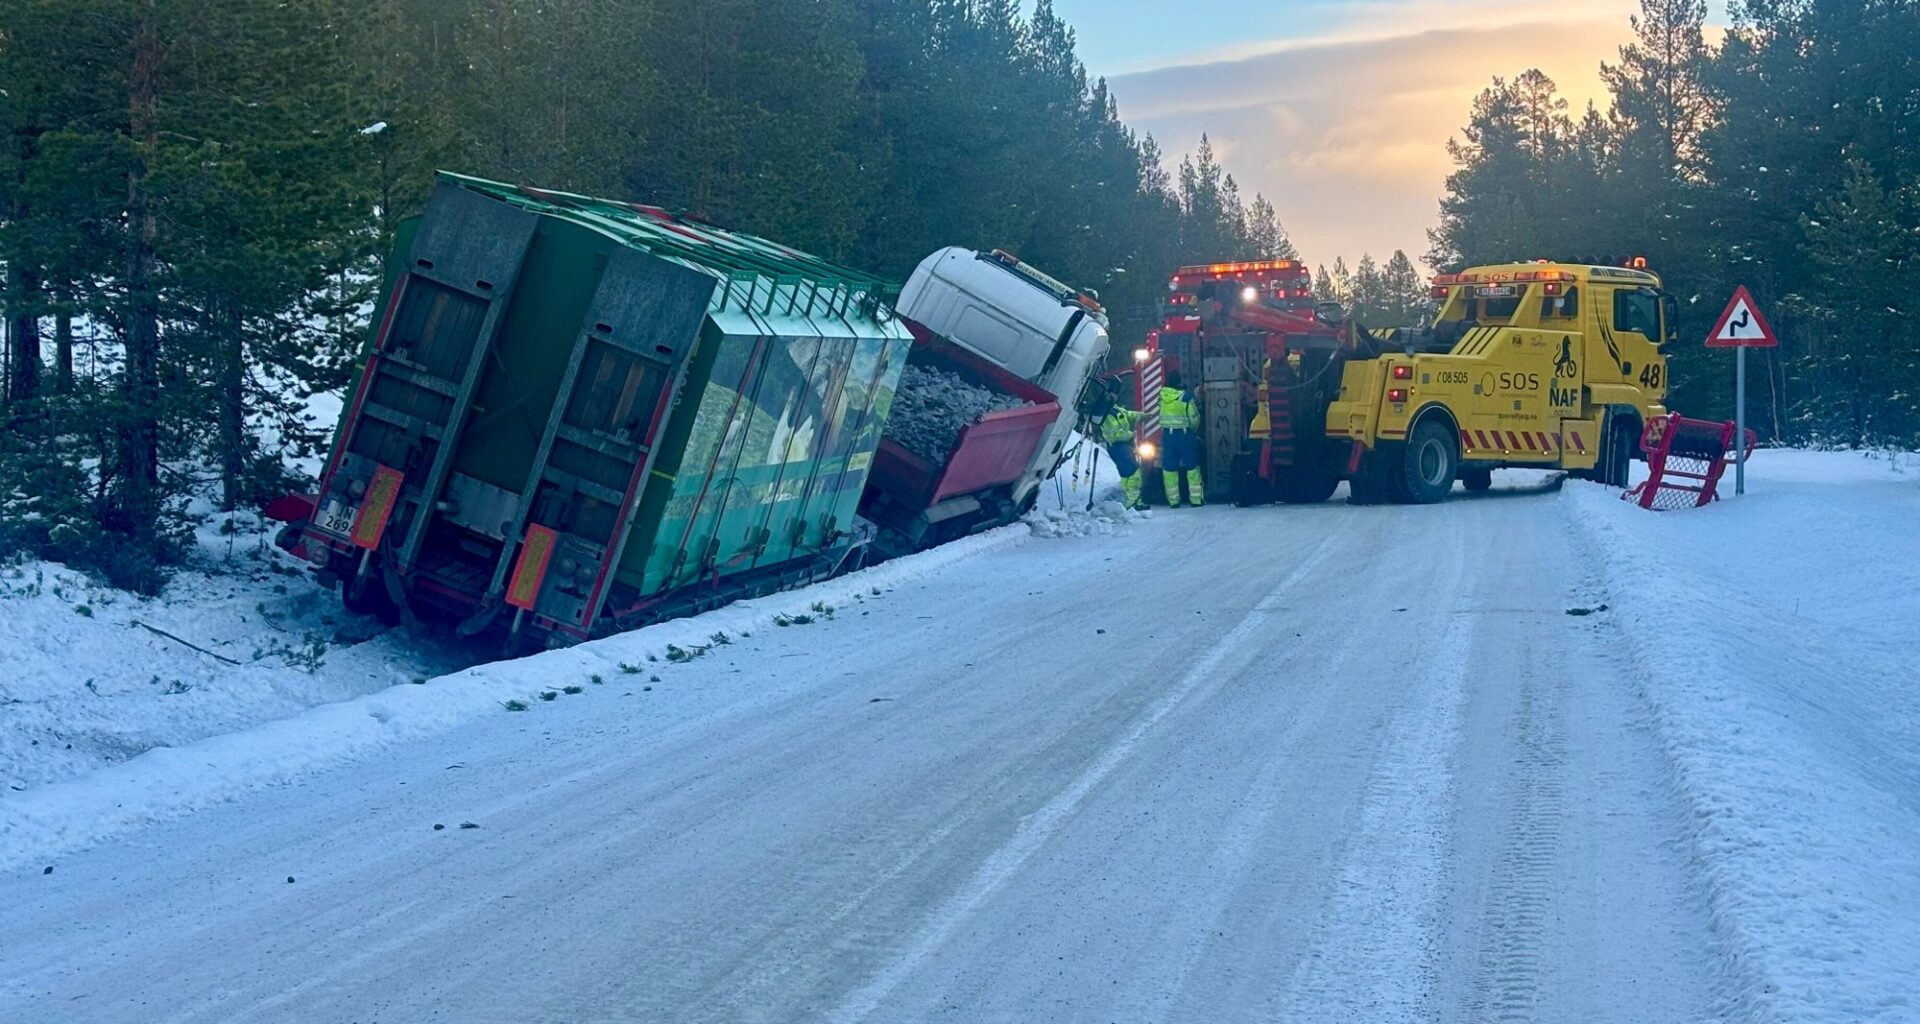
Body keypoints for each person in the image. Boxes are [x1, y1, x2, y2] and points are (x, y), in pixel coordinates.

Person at [1159, 370, 1205, 507]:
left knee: (1169, 469)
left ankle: (1173, 501)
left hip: (1167, 436)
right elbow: (1194, 419)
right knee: (1191, 467)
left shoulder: (1162, 396)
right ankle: (1196, 500)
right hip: (1184, 435)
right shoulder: (1186, 398)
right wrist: (1194, 431)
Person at [1092, 395, 1145, 510]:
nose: (1116, 397)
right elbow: (1115, 435)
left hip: (1124, 447)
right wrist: (1132, 434)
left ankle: (1131, 503)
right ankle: (1134, 502)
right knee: (1134, 473)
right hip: (1118, 447)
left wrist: (1143, 416)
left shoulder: (1116, 410)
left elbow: (1128, 414)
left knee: (1126, 475)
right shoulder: (1107, 416)